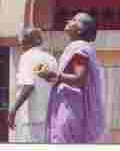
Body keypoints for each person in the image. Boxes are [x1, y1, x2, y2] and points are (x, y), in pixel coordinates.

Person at [37, 12, 106, 143]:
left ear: (80, 30)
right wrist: (51, 76)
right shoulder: (78, 47)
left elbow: (80, 79)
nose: (68, 20)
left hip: (70, 109)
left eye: (74, 20)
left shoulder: (79, 47)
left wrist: (54, 75)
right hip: (70, 107)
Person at [8, 27, 58, 142]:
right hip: (48, 118)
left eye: (22, 39)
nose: (21, 43)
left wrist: (13, 110)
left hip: (32, 119)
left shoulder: (27, 57)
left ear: (25, 41)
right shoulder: (51, 58)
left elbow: (28, 86)